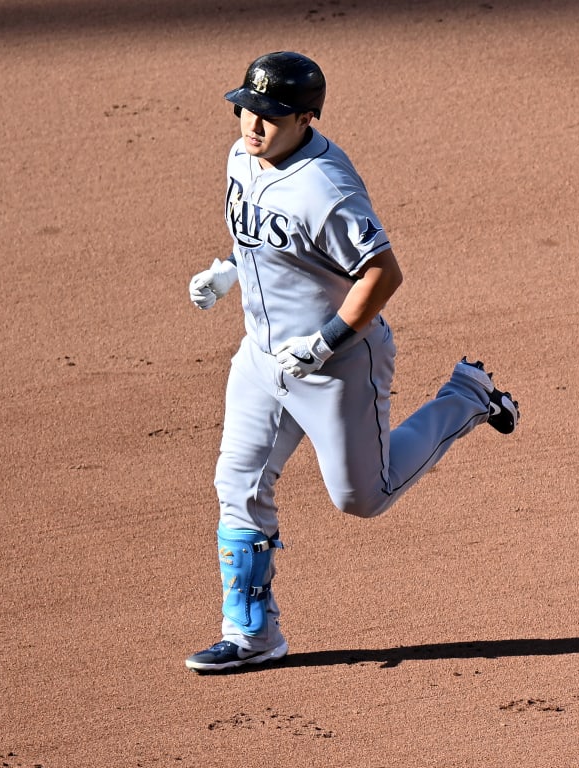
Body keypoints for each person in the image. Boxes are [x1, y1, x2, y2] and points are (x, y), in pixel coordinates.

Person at [183, 51, 519, 672]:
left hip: (338, 364)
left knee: (363, 497)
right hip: (261, 356)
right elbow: (262, 237)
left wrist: (325, 342)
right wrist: (229, 271)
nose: (253, 125)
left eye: (271, 115)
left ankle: (465, 397)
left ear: (307, 117)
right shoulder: (241, 157)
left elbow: (382, 273)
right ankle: (252, 635)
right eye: (246, 109)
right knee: (237, 484)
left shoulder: (326, 187)